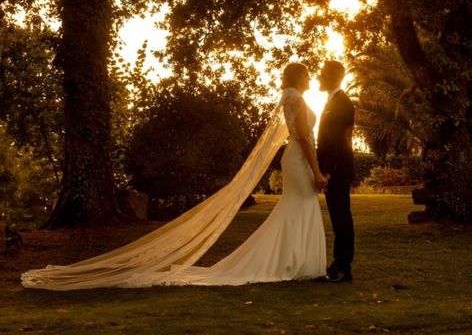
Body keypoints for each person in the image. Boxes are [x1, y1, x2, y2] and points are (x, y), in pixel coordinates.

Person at [22, 63, 328, 290]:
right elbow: (302, 137)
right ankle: (290, 261)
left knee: (296, 208)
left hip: (295, 159)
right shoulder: (297, 100)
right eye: (306, 74)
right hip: (300, 159)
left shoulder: (289, 98)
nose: (309, 78)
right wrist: (316, 170)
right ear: (298, 76)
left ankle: (295, 260)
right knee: (296, 208)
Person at [317, 60, 355, 283]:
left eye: (322, 74)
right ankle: (338, 263)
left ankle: (343, 266)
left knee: (341, 217)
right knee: (337, 216)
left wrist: (329, 170)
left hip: (338, 170)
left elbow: (341, 141)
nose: (318, 77)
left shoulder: (343, 103)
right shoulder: (331, 101)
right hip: (334, 169)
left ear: (332, 77)